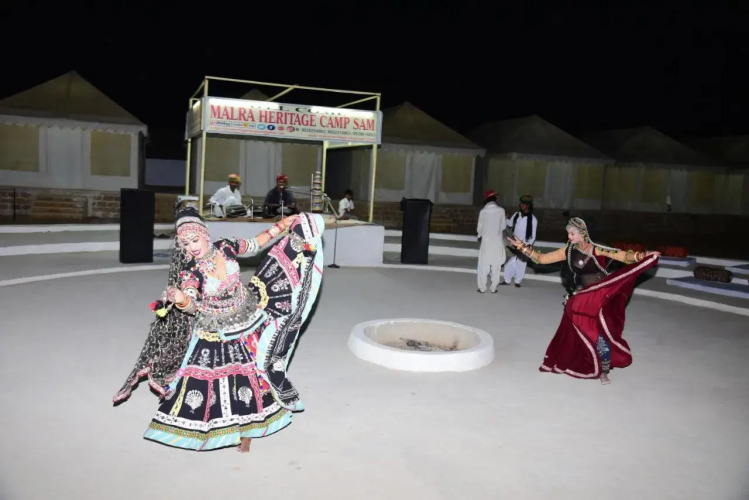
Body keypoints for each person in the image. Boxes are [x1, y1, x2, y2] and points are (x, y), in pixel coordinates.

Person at [115, 207, 325, 453]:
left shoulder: (226, 246)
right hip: (216, 328)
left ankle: (250, 430)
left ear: (205, 234)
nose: (192, 247)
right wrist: (181, 299)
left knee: (256, 371)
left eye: (195, 240)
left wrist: (283, 225)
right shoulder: (190, 271)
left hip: (247, 314)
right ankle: (232, 429)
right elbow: (192, 303)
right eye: (185, 244)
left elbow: (255, 244)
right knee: (225, 381)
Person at [508, 217, 660, 384]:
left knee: (599, 334)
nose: (569, 237)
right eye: (568, 233)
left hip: (599, 297)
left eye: (572, 233)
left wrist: (644, 255)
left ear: (583, 234)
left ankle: (603, 369)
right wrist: (522, 247)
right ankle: (589, 361)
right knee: (585, 332)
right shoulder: (568, 250)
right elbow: (542, 259)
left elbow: (623, 256)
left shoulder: (596, 249)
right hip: (582, 297)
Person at [502, 195, 538, 288]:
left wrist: (528, 245)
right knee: (509, 262)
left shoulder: (533, 219)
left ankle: (518, 280)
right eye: (521, 204)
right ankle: (507, 280)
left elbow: (533, 235)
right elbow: (510, 224)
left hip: (524, 244)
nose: (521, 205)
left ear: (528, 206)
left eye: (524, 204)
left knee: (521, 263)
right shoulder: (516, 215)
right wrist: (505, 219)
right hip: (514, 242)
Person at [476, 189, 507, 293]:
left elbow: (479, 229)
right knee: (496, 265)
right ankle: (493, 288)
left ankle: (482, 287)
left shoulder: (483, 212)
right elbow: (503, 226)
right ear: (495, 199)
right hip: (497, 241)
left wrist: (481, 235)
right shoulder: (501, 210)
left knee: (484, 265)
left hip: (486, 242)